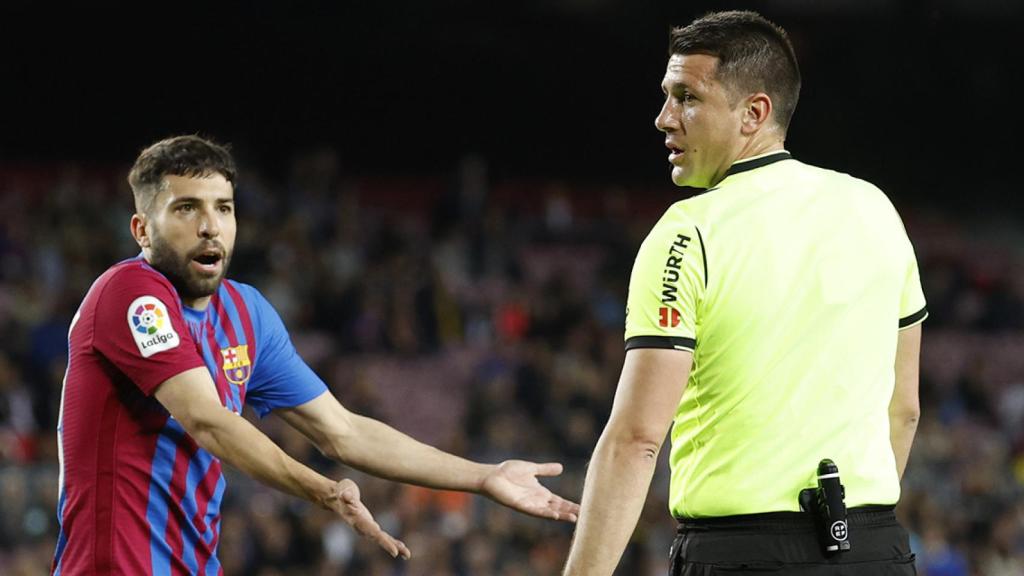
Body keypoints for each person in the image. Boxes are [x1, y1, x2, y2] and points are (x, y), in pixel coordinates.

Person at [52, 135, 579, 575]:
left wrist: (482, 476)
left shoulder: (246, 312)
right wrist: (323, 492)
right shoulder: (129, 293)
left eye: (224, 208)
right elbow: (207, 421)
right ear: (142, 230)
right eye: (186, 209)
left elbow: (343, 431)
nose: (211, 226)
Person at [563, 10, 925, 576]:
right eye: (666, 96)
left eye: (686, 97)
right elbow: (902, 413)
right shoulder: (876, 208)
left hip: (740, 554)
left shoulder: (688, 231)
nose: (663, 118)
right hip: (876, 548)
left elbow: (636, 439)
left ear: (753, 112)